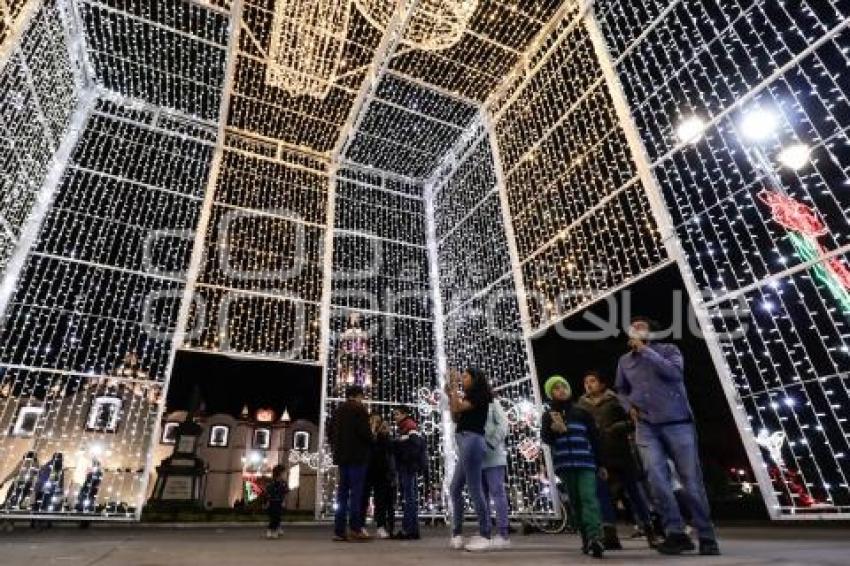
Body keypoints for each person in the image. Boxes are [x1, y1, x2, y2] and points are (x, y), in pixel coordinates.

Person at [615, 316, 720, 556]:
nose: (636, 330)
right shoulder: (624, 361)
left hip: (677, 422)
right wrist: (628, 406)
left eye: (641, 326)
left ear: (652, 331)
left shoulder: (669, 350)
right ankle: (675, 533)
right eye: (633, 328)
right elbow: (621, 389)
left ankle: (706, 536)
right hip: (645, 425)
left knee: (691, 481)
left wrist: (645, 350)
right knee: (656, 479)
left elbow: (674, 374)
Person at [578, 371, 656, 549]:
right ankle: (611, 535)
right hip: (600, 456)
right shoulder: (582, 405)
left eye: (592, 381)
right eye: (586, 382)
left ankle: (649, 529)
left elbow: (633, 421)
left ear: (601, 384)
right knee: (604, 496)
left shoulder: (614, 400)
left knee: (634, 493)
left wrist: (616, 427)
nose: (589, 385)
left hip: (621, 454)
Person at [541, 375, 605, 559]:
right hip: (565, 464)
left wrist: (600, 463)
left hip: (585, 462)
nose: (561, 390)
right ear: (551, 393)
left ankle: (596, 537)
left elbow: (594, 438)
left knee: (588, 498)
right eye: (556, 388)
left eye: (563, 386)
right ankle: (586, 537)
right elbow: (546, 439)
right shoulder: (548, 415)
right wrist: (553, 429)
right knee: (576, 502)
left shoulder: (582, 413)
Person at [447, 367, 493, 552]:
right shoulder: (467, 395)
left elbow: (458, 408)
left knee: (474, 488)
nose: (462, 378)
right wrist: (452, 392)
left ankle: (485, 534)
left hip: (472, 440)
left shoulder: (480, 394)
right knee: (455, 488)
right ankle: (457, 533)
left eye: (465, 376)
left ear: (475, 379)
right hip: (465, 441)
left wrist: (453, 387)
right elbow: (455, 415)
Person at [329, 384, 372, 542]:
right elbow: (365, 434)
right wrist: (371, 437)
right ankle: (355, 528)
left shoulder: (338, 410)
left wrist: (336, 447)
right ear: (358, 395)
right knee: (356, 494)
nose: (363, 399)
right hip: (358, 458)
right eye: (362, 396)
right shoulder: (359, 410)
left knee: (342, 495)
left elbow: (330, 432)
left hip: (342, 458)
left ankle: (339, 531)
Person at [392, 406, 428, 540]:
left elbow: (414, 445)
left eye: (397, 414)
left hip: (408, 467)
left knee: (410, 499)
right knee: (410, 498)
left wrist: (401, 453)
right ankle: (410, 529)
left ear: (404, 414)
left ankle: (410, 530)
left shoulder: (409, 425)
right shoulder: (405, 426)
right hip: (408, 466)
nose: (395, 417)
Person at [481, 395, 511, 550]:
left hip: (493, 456)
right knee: (481, 497)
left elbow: (503, 424)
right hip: (476, 458)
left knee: (497, 493)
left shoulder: (493, 404)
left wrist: (491, 442)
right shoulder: (469, 404)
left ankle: (503, 533)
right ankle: (484, 532)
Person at [361, 413, 396, 539]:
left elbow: (389, 450)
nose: (375, 423)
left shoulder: (384, 436)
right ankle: (360, 526)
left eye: (377, 421)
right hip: (366, 471)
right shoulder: (365, 434)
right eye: (372, 420)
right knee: (363, 499)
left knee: (380, 501)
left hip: (381, 472)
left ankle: (381, 526)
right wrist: (371, 432)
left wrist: (384, 434)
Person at [265, 464, 289, 539]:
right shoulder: (271, 483)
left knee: (278, 516)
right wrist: (267, 502)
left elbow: (284, 493)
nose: (285, 475)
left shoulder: (283, 483)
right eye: (284, 473)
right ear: (279, 474)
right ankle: (271, 530)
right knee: (273, 516)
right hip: (273, 502)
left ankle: (276, 529)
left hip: (279, 502)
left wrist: (284, 501)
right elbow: (268, 493)